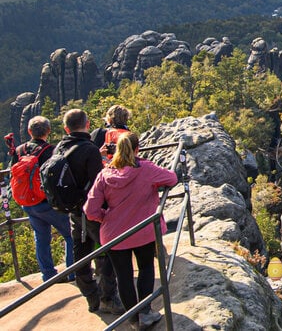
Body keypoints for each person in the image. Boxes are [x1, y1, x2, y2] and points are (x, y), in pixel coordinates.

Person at [84, 132, 177, 330]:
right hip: (143, 231)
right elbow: (172, 178)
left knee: (123, 276)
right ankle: (145, 312)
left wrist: (106, 217)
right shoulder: (146, 170)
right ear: (137, 149)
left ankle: (134, 320)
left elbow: (90, 210)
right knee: (145, 268)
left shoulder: (104, 174)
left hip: (114, 236)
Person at [57, 108, 122, 314]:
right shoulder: (89, 149)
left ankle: (91, 299)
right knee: (108, 254)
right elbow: (98, 183)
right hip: (93, 211)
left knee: (81, 253)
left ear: (66, 128)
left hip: (73, 210)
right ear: (87, 125)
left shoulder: (58, 147)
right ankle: (108, 298)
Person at [11, 116, 75, 282]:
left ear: (29, 131)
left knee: (41, 238)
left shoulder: (19, 150)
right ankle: (73, 272)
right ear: (48, 131)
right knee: (70, 235)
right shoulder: (50, 151)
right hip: (47, 202)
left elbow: (13, 173)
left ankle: (48, 275)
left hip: (27, 203)